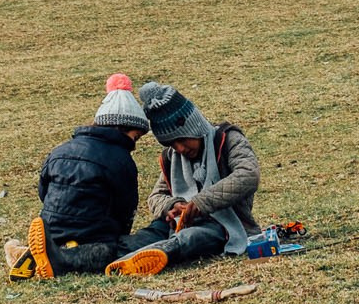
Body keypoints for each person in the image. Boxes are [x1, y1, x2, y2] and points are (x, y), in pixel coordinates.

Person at [101, 81, 262, 278]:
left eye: (182, 139)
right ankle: (97, 260)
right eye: (171, 143)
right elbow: (155, 196)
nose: (180, 149)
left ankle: (152, 257)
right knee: (140, 238)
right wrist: (173, 204)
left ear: (194, 126)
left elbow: (248, 174)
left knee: (189, 239)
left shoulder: (228, 139)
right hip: (176, 223)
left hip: (225, 225)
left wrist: (202, 202)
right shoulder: (172, 157)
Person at [4, 74, 150, 279]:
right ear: (121, 129)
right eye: (135, 137)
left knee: (60, 243)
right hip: (92, 236)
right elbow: (125, 207)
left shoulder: (60, 151)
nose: (134, 145)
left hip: (52, 231)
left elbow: (43, 191)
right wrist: (119, 235)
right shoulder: (120, 159)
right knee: (110, 252)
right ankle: (61, 259)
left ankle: (35, 251)